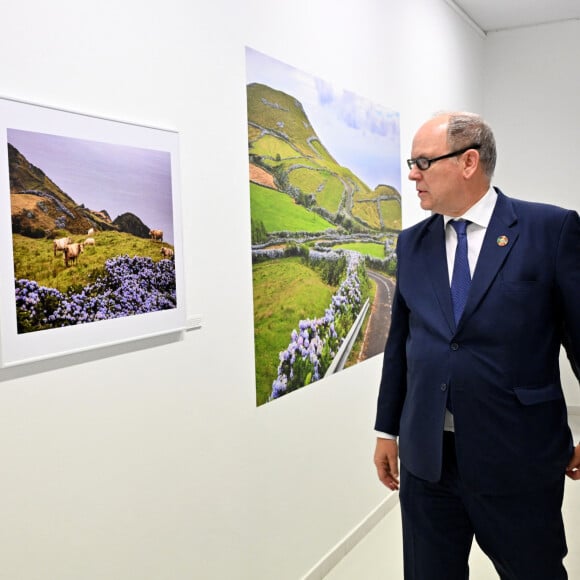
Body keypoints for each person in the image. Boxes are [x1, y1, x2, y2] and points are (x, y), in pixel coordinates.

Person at [373, 111, 580, 579]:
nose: (411, 174)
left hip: (519, 458)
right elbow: (402, 343)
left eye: (422, 162)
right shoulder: (412, 244)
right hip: (429, 460)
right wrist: (387, 430)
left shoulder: (551, 230)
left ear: (468, 162)